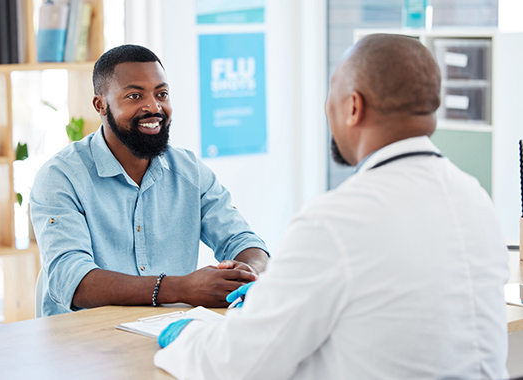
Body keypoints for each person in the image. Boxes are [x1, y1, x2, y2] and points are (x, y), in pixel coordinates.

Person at [153, 34, 509, 379]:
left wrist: (185, 336)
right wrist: (277, 296)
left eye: (331, 98)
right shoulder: (474, 198)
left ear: (353, 107)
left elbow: (232, 365)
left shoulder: (336, 220)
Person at [30, 45, 269, 317]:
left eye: (162, 94)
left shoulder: (189, 171)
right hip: (82, 342)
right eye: (134, 95)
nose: (154, 107)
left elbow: (243, 241)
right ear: (101, 105)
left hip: (164, 332)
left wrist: (247, 274)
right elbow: (73, 282)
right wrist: (181, 289)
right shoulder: (60, 177)